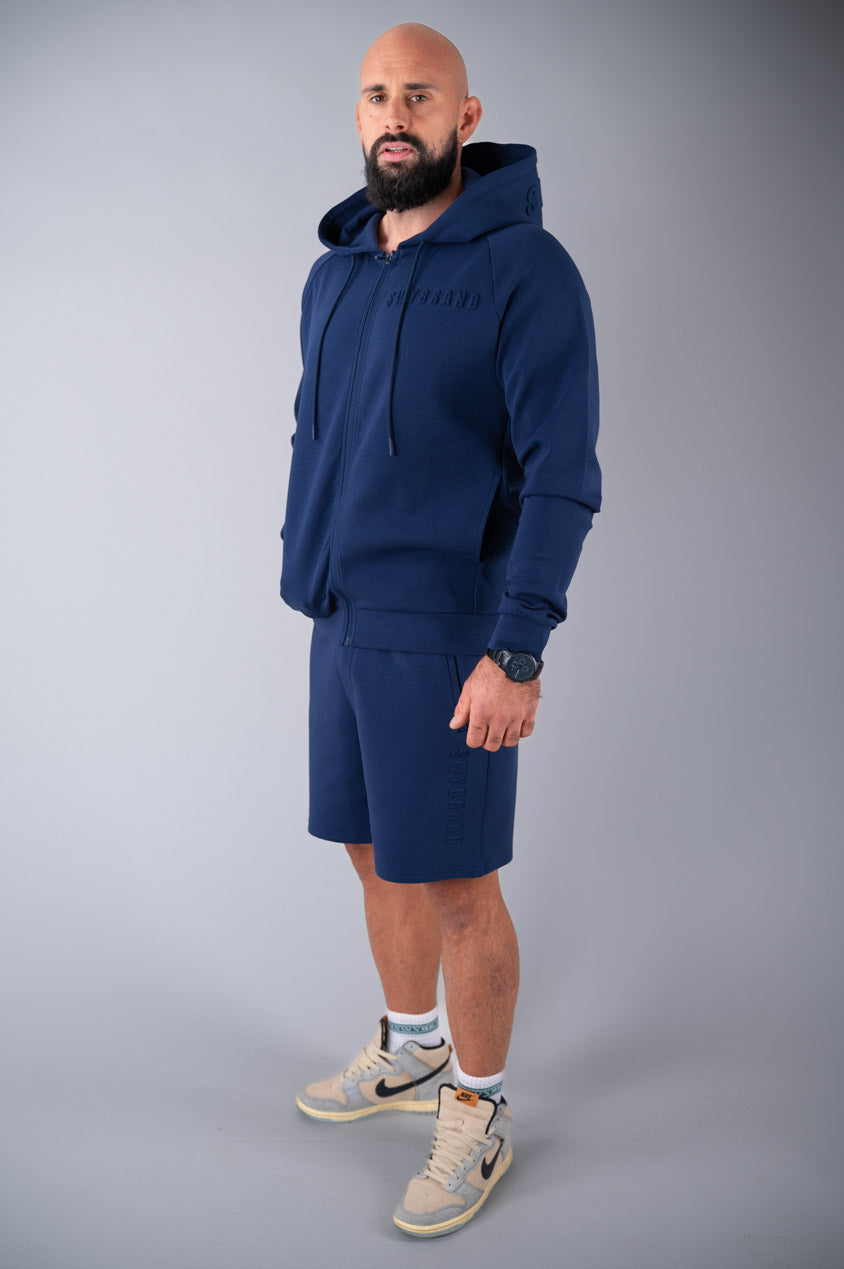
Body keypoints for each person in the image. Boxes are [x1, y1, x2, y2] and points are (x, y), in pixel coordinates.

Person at [280, 22, 600, 1238]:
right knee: (372, 851)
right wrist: (310, 575)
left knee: (459, 883)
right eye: (376, 94)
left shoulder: (529, 270)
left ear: (466, 117)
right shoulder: (336, 272)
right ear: (358, 116)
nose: (394, 113)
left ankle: (481, 1105)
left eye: (420, 94)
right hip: (344, 617)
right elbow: (317, 436)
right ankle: (413, 1048)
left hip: (453, 631)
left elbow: (561, 473)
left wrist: (517, 648)